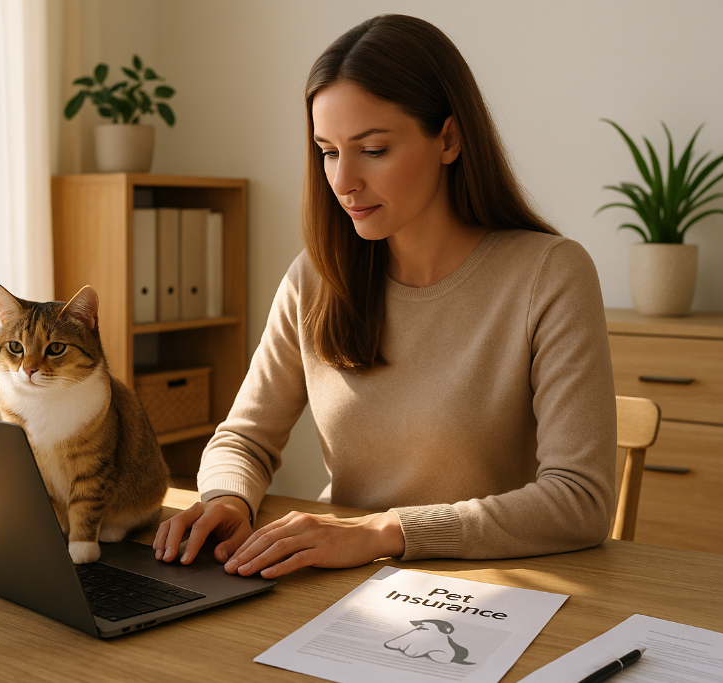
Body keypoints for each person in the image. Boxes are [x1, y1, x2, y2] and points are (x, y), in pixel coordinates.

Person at [153, 14, 616, 579]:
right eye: (328, 151)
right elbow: (244, 438)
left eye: (372, 150)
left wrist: (383, 532)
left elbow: (580, 502)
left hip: (492, 590)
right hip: (344, 585)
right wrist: (228, 500)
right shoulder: (316, 279)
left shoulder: (549, 275)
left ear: (448, 138)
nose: (343, 180)